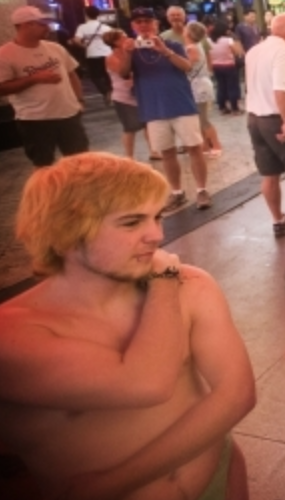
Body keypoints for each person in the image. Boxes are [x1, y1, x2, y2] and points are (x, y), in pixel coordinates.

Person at [0, 152, 255, 499]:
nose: (157, 234)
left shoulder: (192, 286)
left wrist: (113, 482)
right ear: (67, 232)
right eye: (132, 222)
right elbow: (147, 384)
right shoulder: (14, 333)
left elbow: (237, 394)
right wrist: (164, 279)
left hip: (217, 477)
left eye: (157, 216)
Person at [108, 7, 210, 213]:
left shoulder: (172, 44)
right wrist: (127, 52)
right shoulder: (131, 51)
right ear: (133, 26)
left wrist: (165, 51)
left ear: (156, 24)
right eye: (139, 22)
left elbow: (187, 67)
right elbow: (123, 73)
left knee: (194, 148)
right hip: (153, 108)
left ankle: (202, 190)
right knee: (167, 152)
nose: (144, 25)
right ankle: (177, 192)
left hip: (182, 105)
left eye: (148, 21)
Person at [245, 13, 285, 237]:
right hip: (277, 118)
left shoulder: (254, 50)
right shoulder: (284, 52)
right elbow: (281, 89)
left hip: (254, 118)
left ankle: (278, 221)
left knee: (269, 173)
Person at [0, 6, 88, 166]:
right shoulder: (5, 54)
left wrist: (79, 101)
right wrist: (34, 78)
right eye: (42, 24)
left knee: (81, 161)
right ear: (25, 25)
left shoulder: (55, 47)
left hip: (68, 115)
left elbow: (72, 74)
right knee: (43, 165)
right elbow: (2, 88)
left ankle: (78, 190)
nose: (47, 27)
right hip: (35, 120)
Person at [102, 29, 154, 160]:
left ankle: (154, 151)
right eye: (123, 37)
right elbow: (124, 73)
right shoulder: (110, 58)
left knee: (147, 124)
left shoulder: (133, 53)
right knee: (130, 127)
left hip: (138, 93)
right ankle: (129, 156)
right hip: (123, 96)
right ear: (115, 42)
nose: (127, 38)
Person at [185, 22, 224, 158]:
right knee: (200, 119)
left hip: (198, 86)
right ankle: (205, 146)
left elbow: (189, 65)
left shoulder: (191, 48)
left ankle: (216, 145)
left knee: (203, 119)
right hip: (201, 84)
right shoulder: (199, 45)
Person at [70, 5, 112, 104]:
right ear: (98, 14)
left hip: (92, 54)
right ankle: (110, 91)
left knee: (95, 76)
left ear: (86, 14)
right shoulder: (106, 27)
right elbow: (113, 39)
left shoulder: (82, 27)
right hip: (107, 53)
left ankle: (105, 91)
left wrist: (83, 46)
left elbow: (76, 40)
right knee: (108, 74)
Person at [208, 19, 243, 115]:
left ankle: (222, 107)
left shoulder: (209, 41)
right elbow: (236, 52)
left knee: (221, 86)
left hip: (216, 66)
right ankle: (235, 108)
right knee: (232, 87)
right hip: (229, 66)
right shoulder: (228, 40)